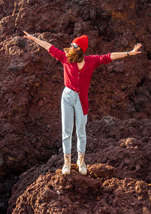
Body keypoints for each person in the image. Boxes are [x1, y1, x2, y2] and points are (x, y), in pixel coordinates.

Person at [23, 31, 143, 175]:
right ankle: (67, 161)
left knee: (81, 132)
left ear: (81, 49)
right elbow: (49, 46)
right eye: (71, 44)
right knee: (66, 132)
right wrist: (33, 39)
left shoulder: (91, 61)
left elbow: (110, 56)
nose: (71, 47)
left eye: (74, 45)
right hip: (67, 97)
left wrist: (129, 53)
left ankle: (81, 160)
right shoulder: (65, 58)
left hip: (81, 99)